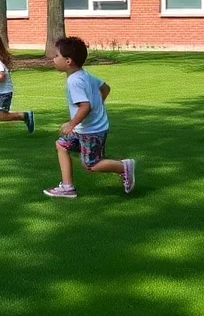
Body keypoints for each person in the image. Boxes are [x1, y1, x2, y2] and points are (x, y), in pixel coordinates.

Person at [43, 36, 136, 198]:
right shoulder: (83, 75)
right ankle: (67, 187)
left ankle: (123, 167)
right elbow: (105, 88)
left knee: (91, 165)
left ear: (68, 61)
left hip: (91, 130)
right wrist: (98, 106)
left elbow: (85, 106)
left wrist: (71, 124)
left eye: (57, 55)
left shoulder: (75, 81)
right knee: (62, 145)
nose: (53, 59)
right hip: (86, 127)